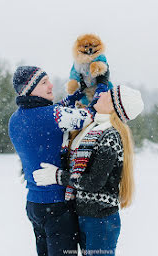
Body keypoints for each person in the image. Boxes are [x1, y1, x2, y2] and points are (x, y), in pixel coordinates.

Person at [33, 85, 144, 255]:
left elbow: (94, 182)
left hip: (100, 221)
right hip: (84, 216)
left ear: (114, 105)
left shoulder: (110, 136)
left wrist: (58, 177)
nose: (103, 93)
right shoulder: (91, 128)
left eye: (109, 93)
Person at [8, 65, 98, 256]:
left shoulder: (14, 120)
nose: (51, 85)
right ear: (29, 90)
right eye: (43, 82)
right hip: (57, 206)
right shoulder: (54, 116)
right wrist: (100, 95)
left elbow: (48, 115)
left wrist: (69, 100)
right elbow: (89, 116)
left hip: (34, 205)